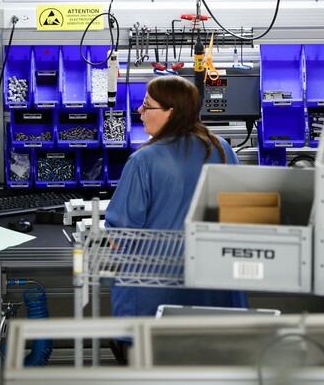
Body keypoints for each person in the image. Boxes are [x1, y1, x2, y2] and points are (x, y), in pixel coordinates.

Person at [105, 76, 248, 361]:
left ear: (170, 112)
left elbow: (120, 236)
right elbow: (240, 217)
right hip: (215, 302)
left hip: (153, 306)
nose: (139, 111)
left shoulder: (143, 160)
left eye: (147, 106)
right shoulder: (223, 150)